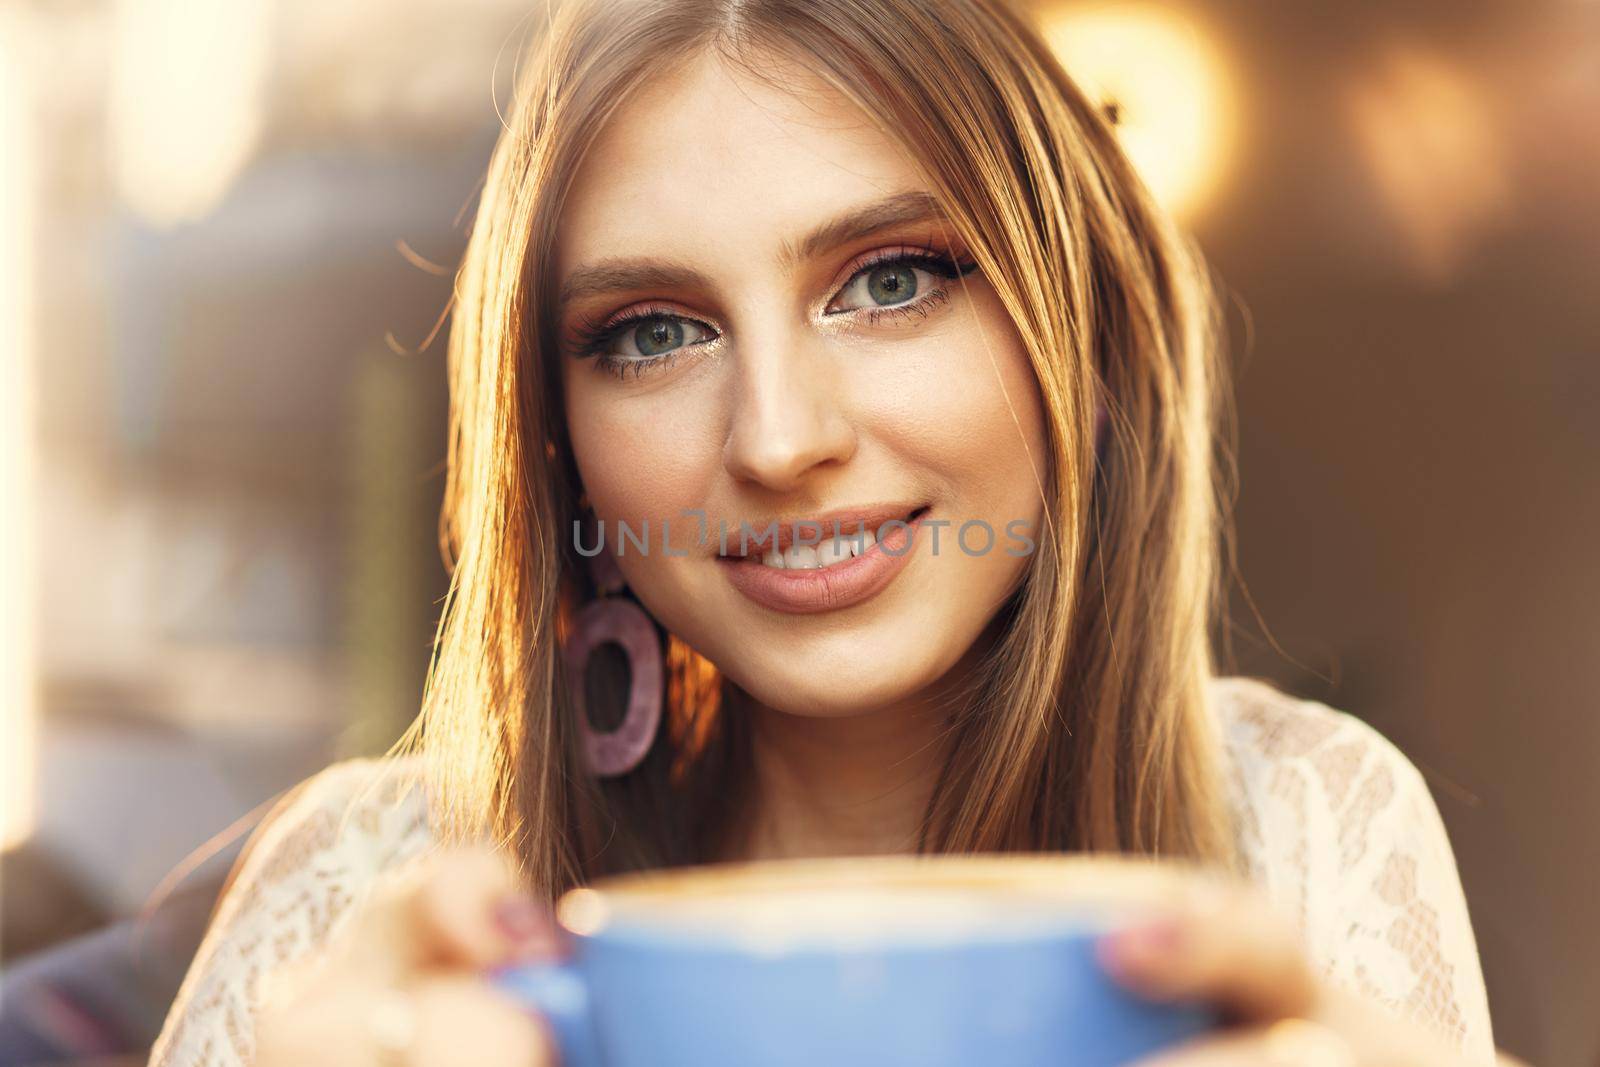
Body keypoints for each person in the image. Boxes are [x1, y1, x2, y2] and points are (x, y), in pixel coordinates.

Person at [148, 1, 1514, 1064]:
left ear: (1083, 340)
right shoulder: (359, 890)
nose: (778, 440)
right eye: (655, 333)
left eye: (892, 280)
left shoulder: (1307, 820)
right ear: (561, 450)